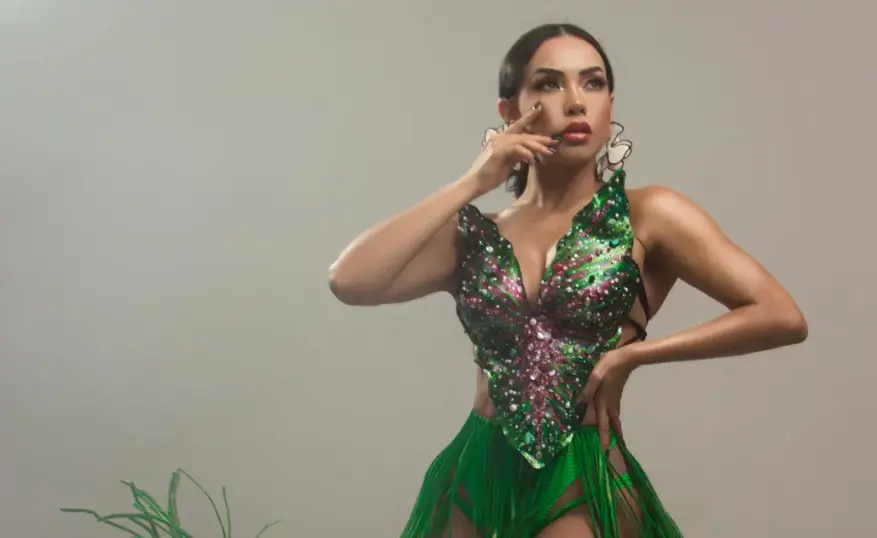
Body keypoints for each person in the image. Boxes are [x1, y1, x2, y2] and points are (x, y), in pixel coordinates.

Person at [328, 22, 808, 538]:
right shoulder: (474, 233)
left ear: (610, 105)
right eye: (549, 83)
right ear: (509, 112)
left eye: (593, 82)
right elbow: (350, 280)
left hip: (580, 473)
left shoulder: (648, 215)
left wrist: (633, 356)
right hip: (476, 471)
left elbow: (781, 315)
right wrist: (473, 181)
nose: (576, 102)